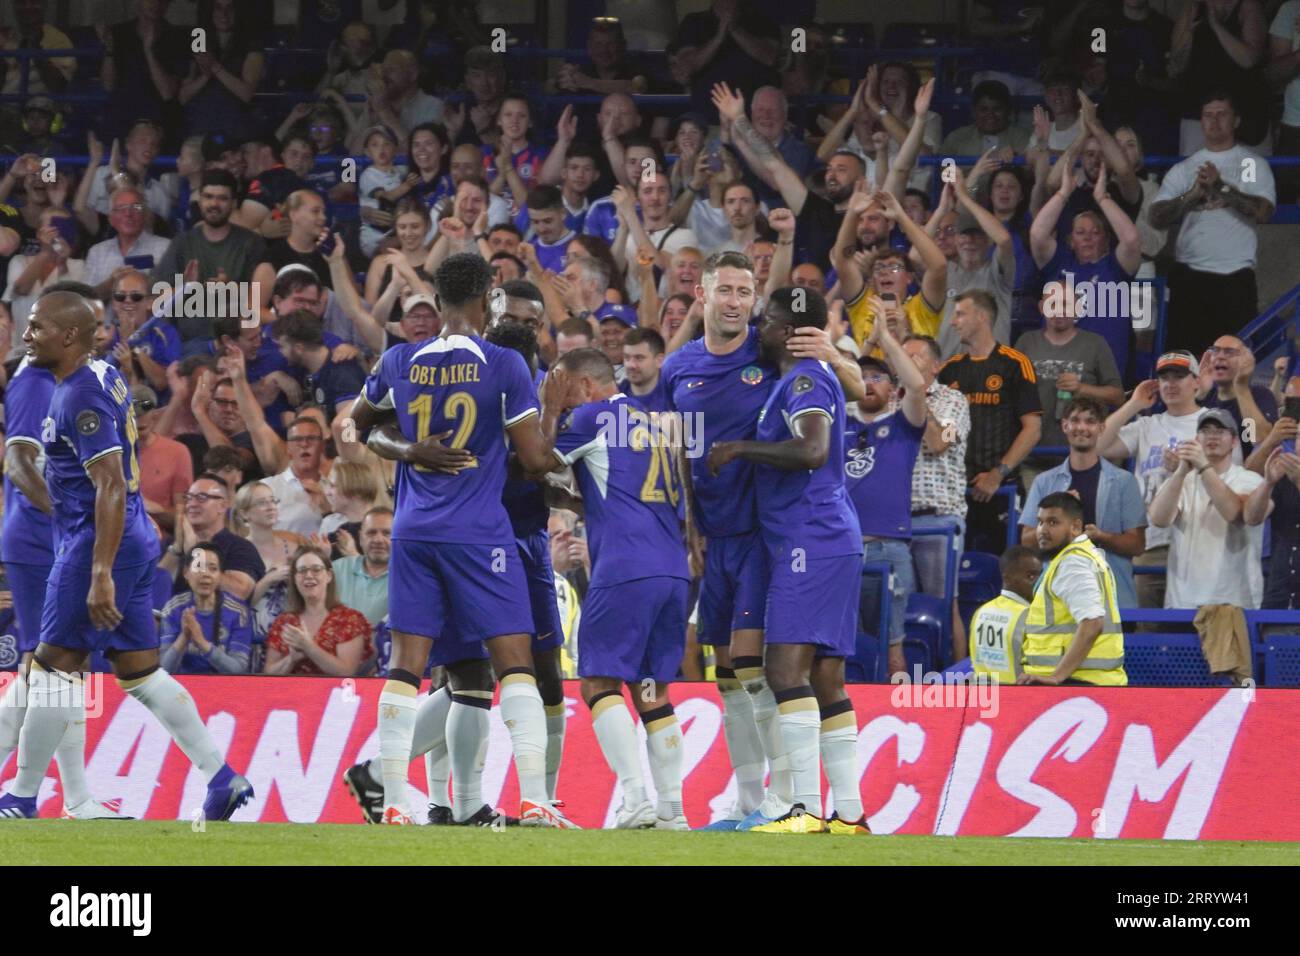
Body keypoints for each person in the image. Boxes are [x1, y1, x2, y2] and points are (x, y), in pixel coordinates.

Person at [0, 291, 253, 822]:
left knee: (51, 669)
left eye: (37, 327)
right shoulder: (103, 377)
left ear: (68, 336)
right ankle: (221, 775)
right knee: (139, 671)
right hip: (132, 537)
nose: (27, 336)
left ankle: (21, 799)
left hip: (98, 542)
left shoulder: (75, 397)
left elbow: (109, 485)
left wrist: (98, 572)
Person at [347, 253, 579, 827]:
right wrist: (550, 413)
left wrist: (410, 450)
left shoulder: (400, 357)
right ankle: (533, 799)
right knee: (515, 662)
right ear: (486, 298)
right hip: (480, 535)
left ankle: (396, 802)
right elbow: (533, 458)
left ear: (438, 296)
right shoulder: (503, 363)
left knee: (408, 665)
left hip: (413, 532)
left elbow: (361, 423)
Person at [659, 252, 864, 831]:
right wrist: (692, 524)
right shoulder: (690, 369)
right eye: (724, 290)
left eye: (746, 294)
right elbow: (675, 445)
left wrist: (832, 357)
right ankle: (815, 807)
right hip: (741, 535)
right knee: (779, 677)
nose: (737, 306)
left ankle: (791, 802)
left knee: (774, 673)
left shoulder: (788, 365)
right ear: (702, 294)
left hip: (788, 538)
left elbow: (838, 414)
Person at [549, 348, 690, 829]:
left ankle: (635, 799)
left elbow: (534, 462)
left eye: (564, 388)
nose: (561, 400)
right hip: (673, 568)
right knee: (652, 689)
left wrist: (548, 414)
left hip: (625, 566)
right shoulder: (656, 421)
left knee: (599, 682)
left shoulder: (590, 417)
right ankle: (673, 809)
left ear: (586, 385)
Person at [1149, 91, 1275, 351]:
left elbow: (1263, 211)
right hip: (1189, 276)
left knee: (1232, 361)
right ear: (1201, 121)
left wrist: (1221, 188)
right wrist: (1191, 196)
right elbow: (1157, 217)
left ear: (1236, 120)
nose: (1214, 121)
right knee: (1184, 358)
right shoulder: (1185, 168)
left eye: (1222, 114)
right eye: (1208, 115)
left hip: (1234, 277)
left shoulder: (1252, 164)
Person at [844, 321, 928, 679]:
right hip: (841, 550)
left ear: (893, 389)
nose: (868, 383)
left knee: (893, 649)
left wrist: (885, 338)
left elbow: (918, 385)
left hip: (888, 549)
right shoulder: (833, 425)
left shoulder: (902, 426)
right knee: (839, 646)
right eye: (861, 377)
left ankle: (898, 720)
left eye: (877, 377)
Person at [1096, 350, 1214, 607]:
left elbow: (1226, 481)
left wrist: (1183, 471)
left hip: (1196, 540)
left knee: (1192, 626)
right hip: (1150, 543)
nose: (1170, 384)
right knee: (1146, 625)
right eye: (1164, 378)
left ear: (1196, 381)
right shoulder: (1147, 425)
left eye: (1179, 376)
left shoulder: (1212, 422)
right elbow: (1097, 446)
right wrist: (1134, 404)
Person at [716, 82, 867, 269]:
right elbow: (775, 165)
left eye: (841, 170)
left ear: (862, 181)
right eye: (829, 169)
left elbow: (900, 169)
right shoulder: (815, 210)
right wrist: (739, 120)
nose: (832, 174)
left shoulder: (870, 218)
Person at [938, 290, 1043, 554]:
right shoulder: (950, 369)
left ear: (982, 317)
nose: (953, 321)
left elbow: (1033, 429)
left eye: (960, 313)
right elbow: (946, 428)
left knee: (1004, 569)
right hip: (956, 491)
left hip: (1002, 490)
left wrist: (997, 474)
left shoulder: (1015, 363)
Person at [1020, 397, 1147, 608]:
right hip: (1059, 600)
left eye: (1090, 421)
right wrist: (1058, 518)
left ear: (1101, 428)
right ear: (1064, 425)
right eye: (1075, 420)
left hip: (1111, 599)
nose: (1082, 427)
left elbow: (1137, 544)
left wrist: (1102, 536)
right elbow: (1027, 540)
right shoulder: (1045, 482)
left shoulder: (1124, 481)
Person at [1030, 161, 1142, 380]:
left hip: (1105, 374)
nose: (1088, 237)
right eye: (1081, 232)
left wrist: (1102, 197)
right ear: (1070, 241)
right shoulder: (1059, 264)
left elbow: (1131, 239)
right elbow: (1037, 234)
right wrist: (1063, 193)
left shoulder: (1115, 267)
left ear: (1106, 240)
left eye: (1095, 232)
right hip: (1060, 369)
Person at [1148, 408, 1267, 609]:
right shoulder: (1182, 481)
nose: (1212, 436)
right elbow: (1159, 519)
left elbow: (1234, 513)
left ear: (1235, 441)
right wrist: (1180, 472)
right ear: (1197, 439)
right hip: (1182, 602)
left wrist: (1203, 467)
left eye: (1220, 431)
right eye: (1206, 431)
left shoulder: (1250, 480)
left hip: (1233, 602)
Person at [900, 334, 972, 661]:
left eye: (914, 357)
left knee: (943, 601)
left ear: (936, 365)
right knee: (896, 606)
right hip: (894, 523)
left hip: (938, 519)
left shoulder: (953, 400)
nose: (907, 363)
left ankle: (956, 681)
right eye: (902, 357)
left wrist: (918, 398)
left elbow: (939, 442)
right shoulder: (890, 401)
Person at [151, 169, 275, 350]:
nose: (214, 204)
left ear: (233, 203)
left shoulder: (252, 244)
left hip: (238, 343)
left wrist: (231, 289)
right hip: (188, 344)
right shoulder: (182, 243)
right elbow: (159, 300)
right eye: (208, 196)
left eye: (222, 198)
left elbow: (258, 305)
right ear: (199, 200)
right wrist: (186, 287)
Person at [1014, 282, 1124, 478]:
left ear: (1078, 308)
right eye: (1053, 304)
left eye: (1065, 304)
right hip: (1032, 456)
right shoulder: (1025, 342)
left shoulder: (1095, 344)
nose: (1059, 311)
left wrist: (1082, 388)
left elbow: (1117, 397)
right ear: (1041, 307)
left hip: (1084, 458)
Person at [1019, 492, 1128, 685]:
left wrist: (1056, 676)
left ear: (1076, 527)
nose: (1042, 530)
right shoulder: (1084, 555)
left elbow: (1092, 622)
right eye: (1040, 522)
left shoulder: (1072, 563)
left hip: (1077, 684)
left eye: (1053, 522)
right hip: (1086, 682)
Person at [262, 545, 372, 676]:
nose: (308, 575)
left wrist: (309, 648)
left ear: (329, 575)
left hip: (333, 695)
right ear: (295, 578)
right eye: (302, 571)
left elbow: (347, 673)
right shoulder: (284, 621)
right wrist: (290, 660)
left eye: (316, 569)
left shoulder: (350, 619)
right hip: (290, 694)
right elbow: (268, 674)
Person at [161, 473, 266, 602]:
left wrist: (194, 553)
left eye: (202, 497)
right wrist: (176, 549)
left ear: (222, 506)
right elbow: (154, 588)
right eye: (189, 498)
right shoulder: (171, 545)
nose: (192, 504)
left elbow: (240, 592)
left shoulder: (240, 547)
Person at [159, 544, 254, 674]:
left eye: (213, 569)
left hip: (225, 687)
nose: (205, 575)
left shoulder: (238, 612)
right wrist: (184, 637)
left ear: (220, 575)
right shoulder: (173, 609)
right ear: (186, 573)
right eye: (198, 567)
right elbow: (164, 669)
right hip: (184, 686)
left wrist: (202, 643)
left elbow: (238, 670)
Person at [177, 0, 265, 138]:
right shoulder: (199, 37)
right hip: (202, 126)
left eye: (230, 8)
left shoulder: (251, 41)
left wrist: (215, 66)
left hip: (235, 128)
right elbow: (183, 97)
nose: (224, 14)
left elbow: (246, 93)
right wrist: (205, 76)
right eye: (218, 8)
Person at [969, 546, 1042, 683]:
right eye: (1031, 576)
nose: (1039, 583)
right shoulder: (1031, 615)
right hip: (1016, 698)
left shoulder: (980, 612)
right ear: (1007, 578)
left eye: (1040, 576)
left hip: (983, 697)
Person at [83, 187, 172, 297]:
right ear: (110, 219)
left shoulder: (166, 248)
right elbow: (86, 300)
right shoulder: (97, 252)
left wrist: (147, 283)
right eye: (121, 208)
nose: (128, 214)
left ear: (145, 215)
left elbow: (177, 295)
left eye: (135, 207)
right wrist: (109, 284)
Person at [1244, 435, 1300, 608]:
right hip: (1280, 594)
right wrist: (1268, 483)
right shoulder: (1284, 479)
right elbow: (1253, 518)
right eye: (1299, 436)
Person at [1197, 335, 1276, 457]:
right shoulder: (1204, 396)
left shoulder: (1260, 395)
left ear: (1246, 360)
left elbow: (1260, 441)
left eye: (1229, 352)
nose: (1220, 356)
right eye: (1216, 350)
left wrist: (1241, 388)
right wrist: (1198, 395)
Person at [135, 383, 193, 534]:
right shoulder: (109, 454)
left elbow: (185, 517)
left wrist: (155, 509)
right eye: (133, 414)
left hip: (160, 540)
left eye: (145, 411)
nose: (140, 418)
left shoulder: (177, 452)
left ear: (155, 414)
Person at [263, 416, 333, 537]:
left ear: (322, 446)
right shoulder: (266, 488)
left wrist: (328, 509)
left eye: (311, 438)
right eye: (297, 439)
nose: (304, 444)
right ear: (288, 448)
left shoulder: (335, 489)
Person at [939, 80, 1032, 159]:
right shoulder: (956, 138)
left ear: (1007, 111)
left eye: (997, 109)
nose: (990, 115)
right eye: (984, 109)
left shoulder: (1021, 137)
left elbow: (1029, 174)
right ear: (973, 111)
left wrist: (1016, 158)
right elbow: (947, 176)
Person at [622, 327, 669, 412]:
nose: (631, 365)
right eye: (627, 358)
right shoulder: (614, 397)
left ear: (659, 361)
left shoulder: (675, 398)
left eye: (639, 358)